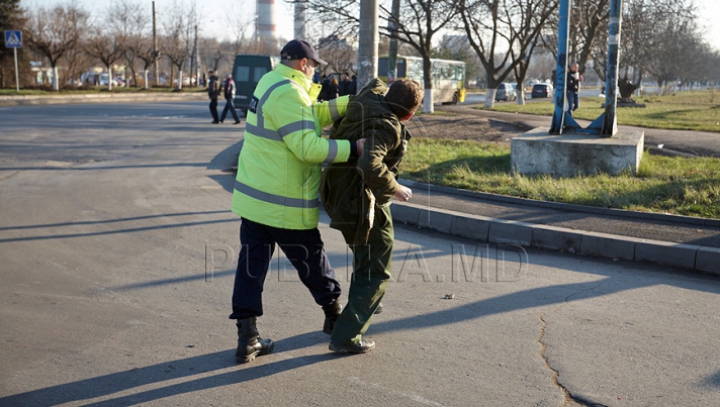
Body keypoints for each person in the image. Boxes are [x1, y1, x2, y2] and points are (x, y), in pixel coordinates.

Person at [229, 39, 365, 364]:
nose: (316, 70)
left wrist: (350, 103)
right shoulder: (290, 92)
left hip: (255, 200)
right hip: (284, 202)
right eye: (315, 64)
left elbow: (309, 115)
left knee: (250, 270)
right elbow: (308, 147)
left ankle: (247, 339)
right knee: (313, 263)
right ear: (304, 63)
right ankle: (335, 320)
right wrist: (353, 149)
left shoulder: (272, 82)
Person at [320, 78, 423, 354]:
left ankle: (362, 305)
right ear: (410, 115)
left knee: (365, 255)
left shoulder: (370, 97)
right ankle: (346, 335)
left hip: (336, 190)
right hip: (361, 201)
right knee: (377, 263)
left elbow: (375, 83)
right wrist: (396, 188)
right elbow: (369, 163)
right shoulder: (387, 126)